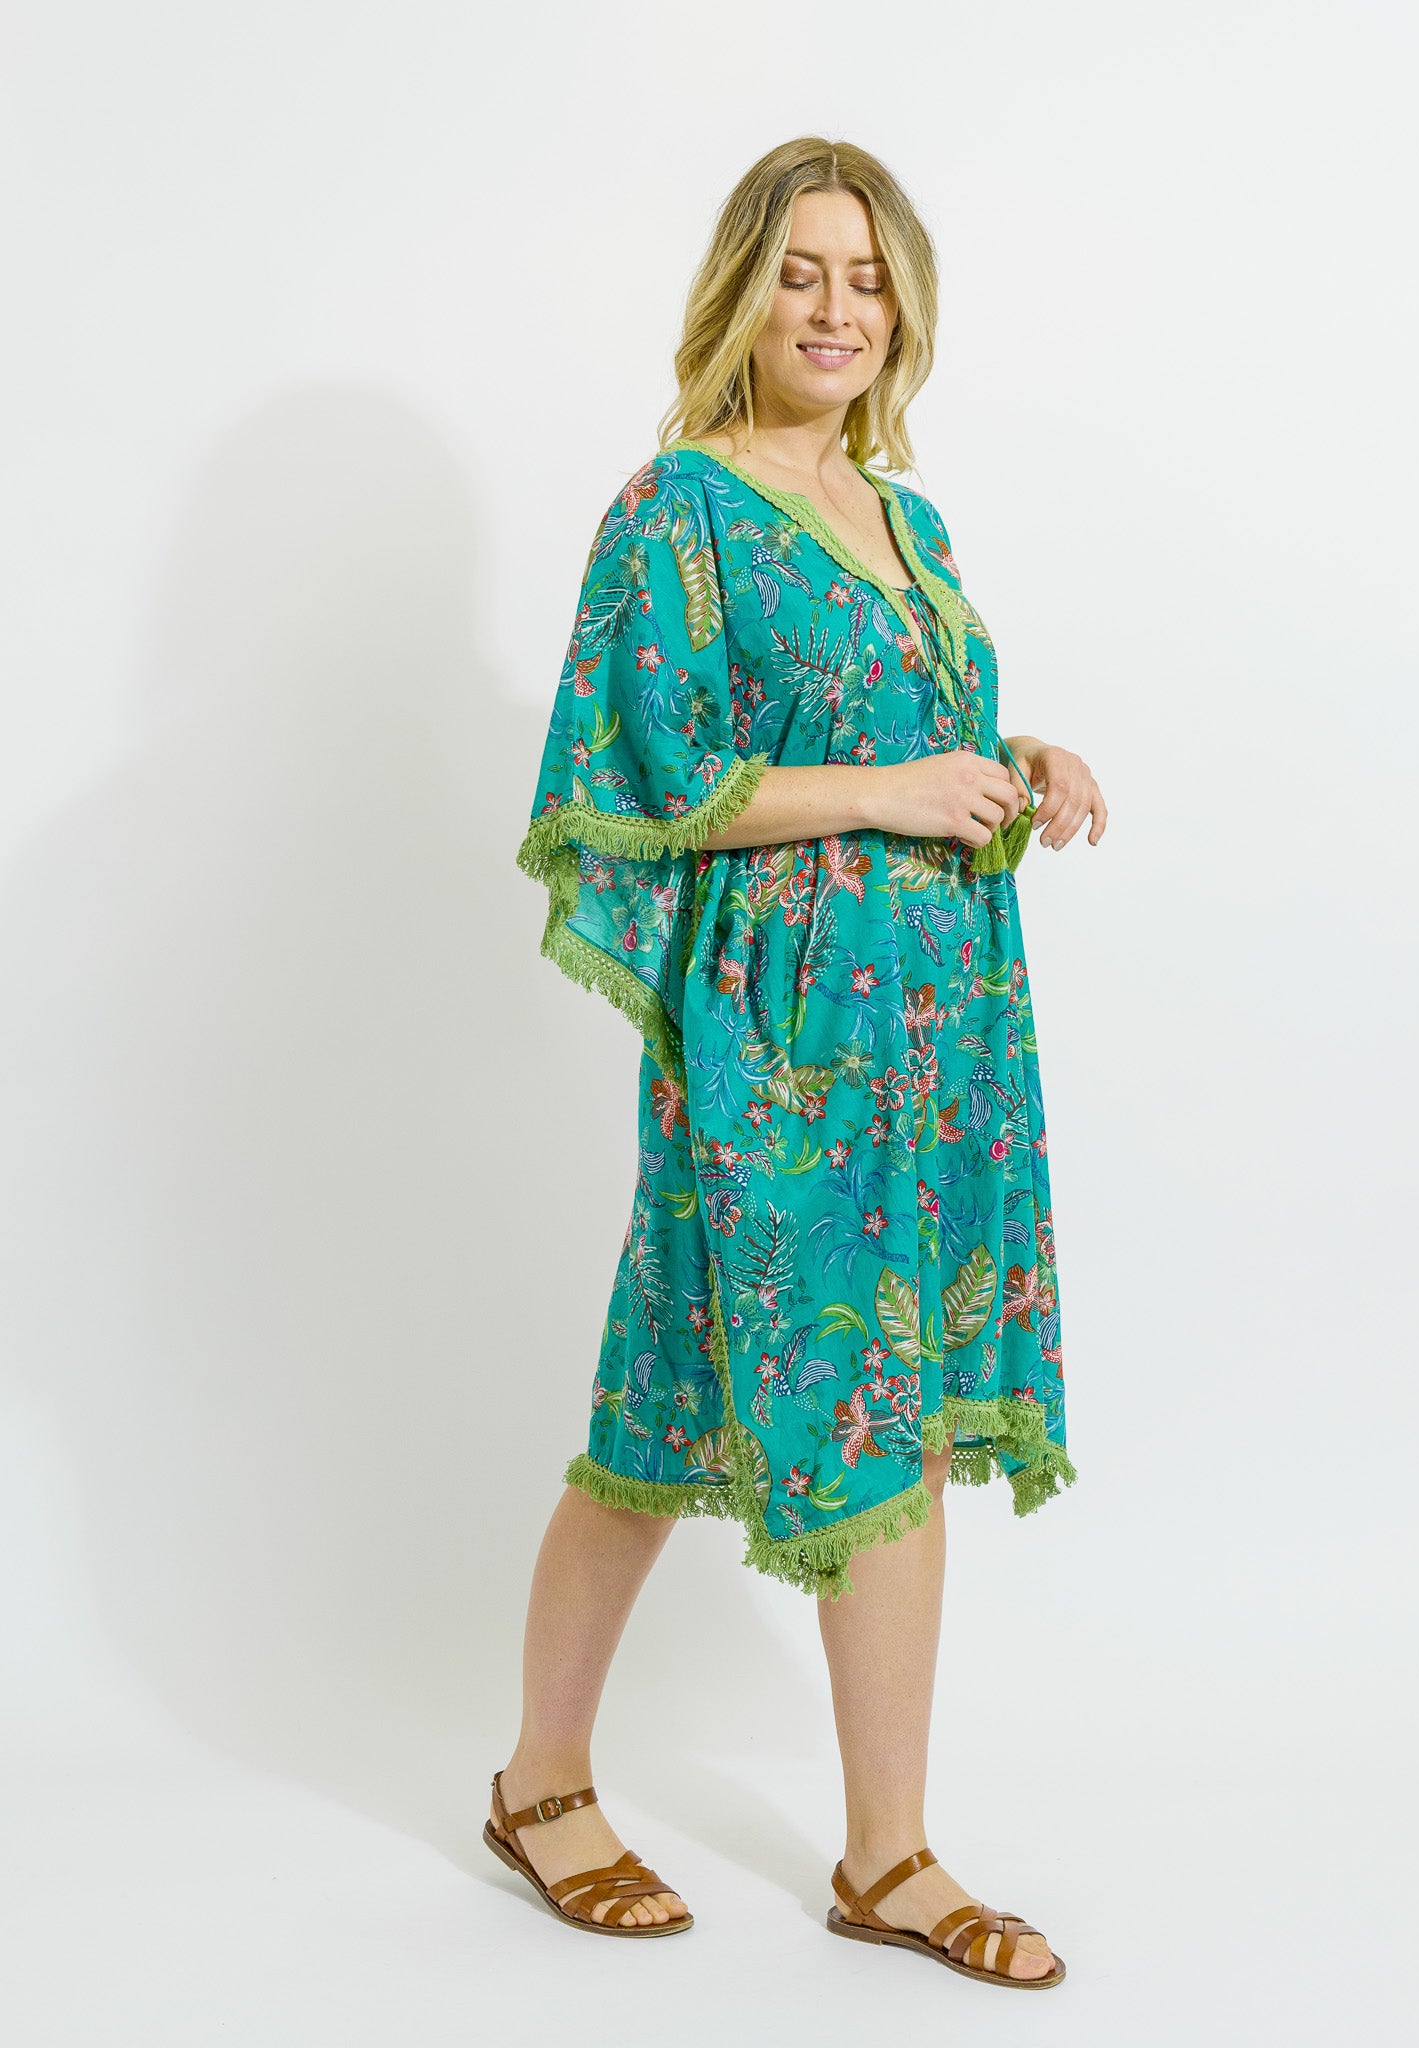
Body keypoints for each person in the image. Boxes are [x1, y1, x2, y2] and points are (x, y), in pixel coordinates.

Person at [485, 136, 1107, 1986]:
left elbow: (905, 736)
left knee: (890, 1400)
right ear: (743, 292)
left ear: (904, 306)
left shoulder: (911, 522)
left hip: (940, 1033)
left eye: (869, 276)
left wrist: (1019, 759)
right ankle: (540, 1784)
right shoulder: (673, 509)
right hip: (777, 1037)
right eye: (803, 272)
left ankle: (888, 1857)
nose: (838, 309)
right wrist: (890, 792)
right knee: (665, 1406)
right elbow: (646, 780)